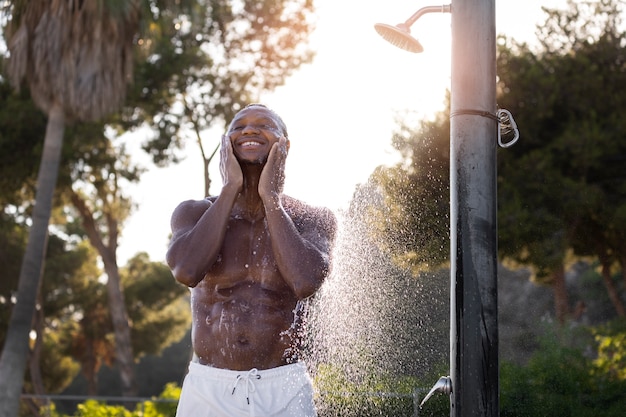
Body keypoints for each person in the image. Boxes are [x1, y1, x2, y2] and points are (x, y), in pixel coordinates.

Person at [166, 104, 337, 417]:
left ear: (284, 146)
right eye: (239, 125)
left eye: (264, 124)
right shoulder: (192, 212)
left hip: (285, 387)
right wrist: (230, 187)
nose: (249, 129)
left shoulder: (312, 218)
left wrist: (271, 197)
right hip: (208, 389)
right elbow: (187, 271)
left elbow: (305, 281)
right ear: (226, 143)